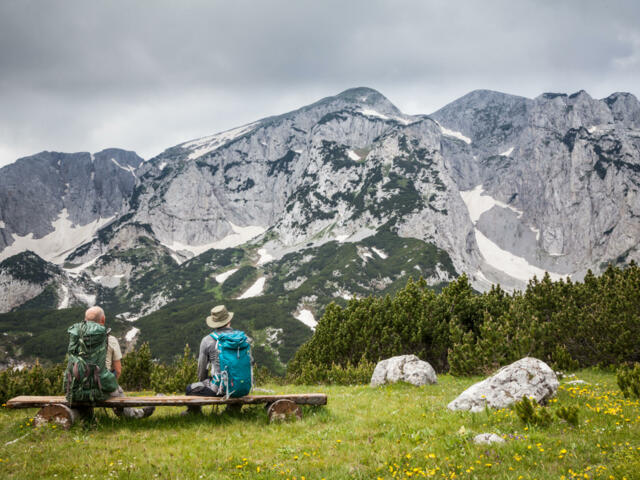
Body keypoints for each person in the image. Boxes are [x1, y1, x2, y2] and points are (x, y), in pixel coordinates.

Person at [84, 306, 154, 419]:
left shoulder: (77, 339)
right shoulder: (110, 339)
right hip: (100, 388)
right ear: (103, 319)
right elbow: (118, 370)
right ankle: (137, 414)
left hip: (78, 387)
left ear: (85, 320)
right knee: (116, 390)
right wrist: (110, 383)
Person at [183, 305, 249, 414]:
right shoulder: (242, 338)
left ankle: (194, 412)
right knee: (233, 385)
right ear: (229, 321)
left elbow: (202, 369)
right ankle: (233, 409)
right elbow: (248, 362)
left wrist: (203, 383)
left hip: (219, 388)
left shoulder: (207, 340)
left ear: (214, 323)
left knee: (190, 389)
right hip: (241, 386)